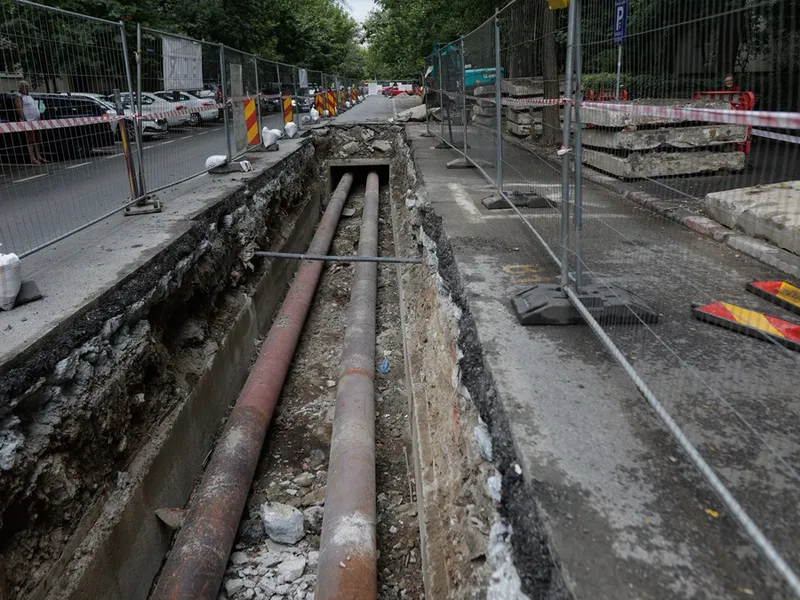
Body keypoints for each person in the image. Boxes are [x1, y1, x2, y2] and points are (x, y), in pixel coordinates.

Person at [14, 80, 47, 165]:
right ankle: (32, 158)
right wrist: (24, 118)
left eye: (28, 87)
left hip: (36, 121)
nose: (27, 88)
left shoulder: (29, 96)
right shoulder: (19, 96)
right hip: (28, 121)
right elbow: (19, 108)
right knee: (30, 140)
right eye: (26, 87)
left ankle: (39, 156)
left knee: (37, 139)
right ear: (21, 88)